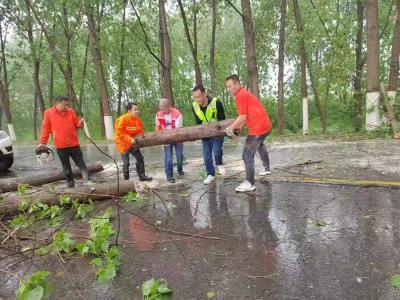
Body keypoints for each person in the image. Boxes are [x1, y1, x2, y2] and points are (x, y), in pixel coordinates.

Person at [225, 74, 272, 192]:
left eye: (230, 86)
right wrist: (238, 128)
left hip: (259, 128)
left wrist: (231, 128)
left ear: (237, 84)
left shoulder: (240, 96)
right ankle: (266, 169)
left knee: (247, 155)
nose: (229, 89)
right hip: (264, 125)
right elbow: (245, 117)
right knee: (260, 146)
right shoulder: (243, 94)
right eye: (227, 87)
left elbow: (242, 116)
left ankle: (249, 183)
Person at [39, 95, 91, 188]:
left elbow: (77, 123)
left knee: (81, 163)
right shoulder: (48, 113)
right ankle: (70, 185)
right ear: (57, 104)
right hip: (61, 146)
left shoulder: (71, 111)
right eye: (64, 105)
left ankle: (87, 181)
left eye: (67, 105)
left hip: (74, 144)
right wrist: (43, 142)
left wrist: (80, 123)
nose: (66, 107)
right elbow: (45, 129)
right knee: (66, 167)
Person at [191, 84, 226, 185]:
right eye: (195, 97)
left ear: (205, 94)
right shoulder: (194, 105)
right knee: (207, 156)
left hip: (217, 132)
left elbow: (222, 119)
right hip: (205, 133)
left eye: (198, 96)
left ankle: (219, 164)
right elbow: (198, 121)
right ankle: (210, 174)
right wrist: (198, 133)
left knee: (216, 150)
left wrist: (218, 129)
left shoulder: (216, 102)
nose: (197, 99)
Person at [114, 102, 152, 181]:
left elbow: (140, 131)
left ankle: (142, 176)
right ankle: (126, 180)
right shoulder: (123, 119)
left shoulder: (137, 119)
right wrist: (130, 139)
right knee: (126, 162)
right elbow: (120, 133)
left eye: (137, 109)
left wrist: (143, 137)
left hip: (132, 142)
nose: (137, 111)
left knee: (140, 158)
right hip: (122, 143)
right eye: (135, 109)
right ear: (129, 110)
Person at [155, 98, 184, 183]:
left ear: (168, 107)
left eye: (163, 109)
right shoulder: (158, 114)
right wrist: (159, 135)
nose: (161, 110)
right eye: (160, 108)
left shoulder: (177, 114)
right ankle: (169, 175)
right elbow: (157, 126)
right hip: (166, 139)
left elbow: (178, 130)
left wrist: (170, 135)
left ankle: (180, 169)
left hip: (177, 138)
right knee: (168, 158)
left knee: (179, 156)